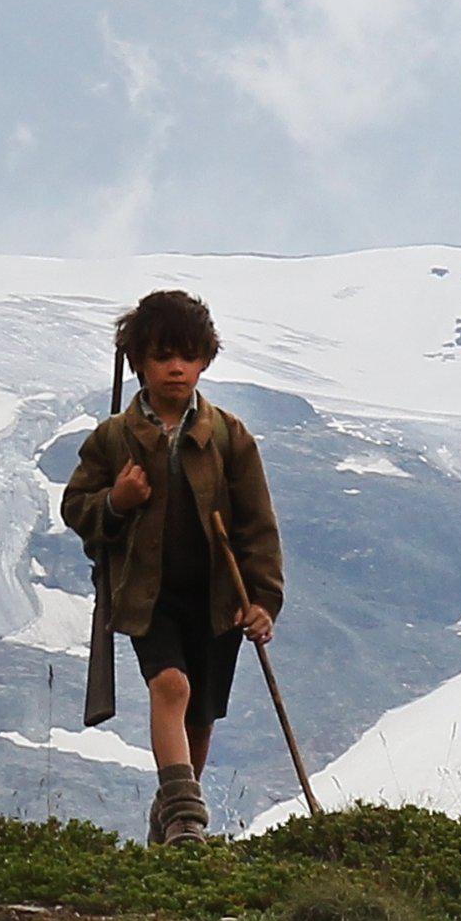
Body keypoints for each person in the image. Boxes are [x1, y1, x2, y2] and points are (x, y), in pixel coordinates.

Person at [60, 289, 284, 844]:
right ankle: (188, 815)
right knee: (171, 687)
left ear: (206, 359)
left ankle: (170, 817)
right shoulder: (113, 439)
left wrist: (262, 600)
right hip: (147, 594)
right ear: (138, 362)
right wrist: (117, 501)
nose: (176, 368)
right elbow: (77, 507)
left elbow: (257, 525)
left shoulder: (228, 436)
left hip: (216, 597)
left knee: (201, 713)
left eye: (187, 356)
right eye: (163, 356)